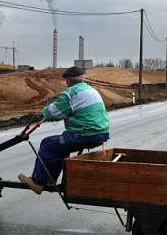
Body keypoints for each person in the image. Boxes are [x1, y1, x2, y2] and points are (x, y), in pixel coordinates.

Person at [18, 66, 110, 194]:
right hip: (101, 133)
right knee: (61, 144)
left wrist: (42, 113)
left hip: (85, 134)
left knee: (47, 143)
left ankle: (38, 182)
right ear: (82, 78)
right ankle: (50, 179)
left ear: (68, 81)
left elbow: (53, 113)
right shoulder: (90, 90)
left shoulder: (71, 93)